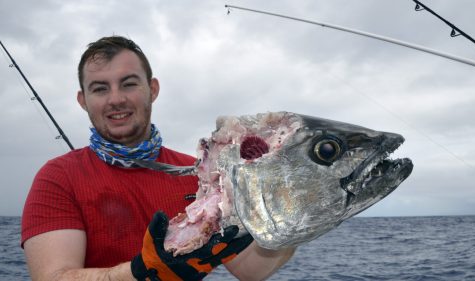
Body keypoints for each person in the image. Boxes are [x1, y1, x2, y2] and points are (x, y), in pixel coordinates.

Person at [21, 35, 296, 280]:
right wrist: (143, 273)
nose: (115, 99)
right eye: (100, 88)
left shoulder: (199, 175)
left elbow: (251, 269)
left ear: (152, 89)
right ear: (83, 100)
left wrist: (292, 213)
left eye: (128, 84)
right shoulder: (58, 178)